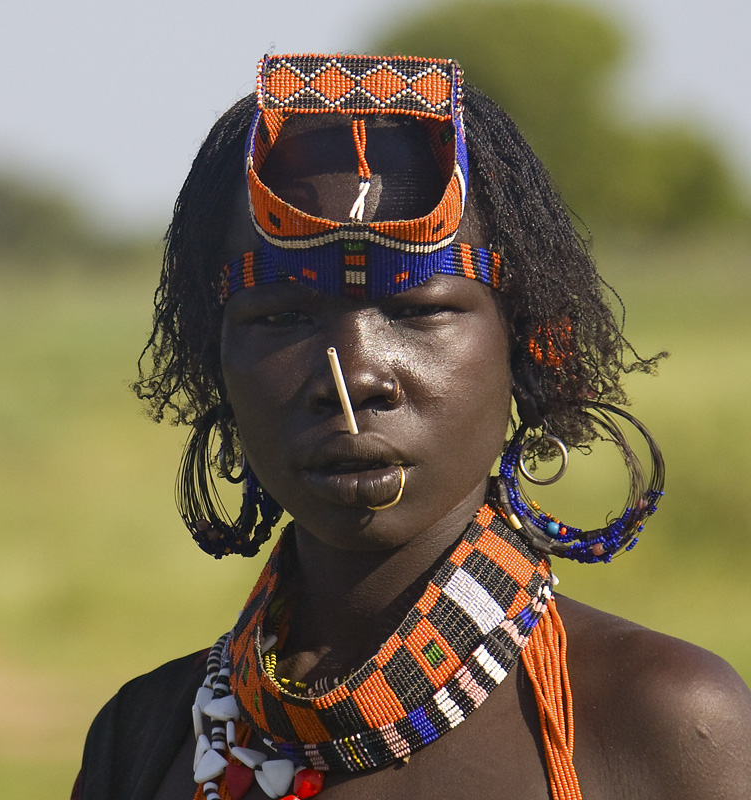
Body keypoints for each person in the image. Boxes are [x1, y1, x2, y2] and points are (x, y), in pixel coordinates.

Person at [75, 53, 751, 800]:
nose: (355, 375)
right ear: (216, 362)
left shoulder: (659, 722)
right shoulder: (148, 741)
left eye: (418, 308)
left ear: (522, 343)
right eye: (282, 316)